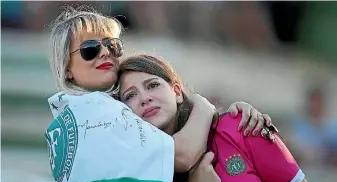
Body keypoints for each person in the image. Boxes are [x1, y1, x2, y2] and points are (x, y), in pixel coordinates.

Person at [48, 5, 272, 173]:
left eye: (112, 44)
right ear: (66, 68)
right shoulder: (95, 113)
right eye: (90, 49)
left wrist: (235, 112)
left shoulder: (77, 111)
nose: (105, 53)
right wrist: (203, 106)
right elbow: (182, 156)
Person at [117, 54, 318, 182]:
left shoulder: (240, 125)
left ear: (177, 92)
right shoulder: (138, 164)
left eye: (152, 85)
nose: (144, 98)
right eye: (131, 96)